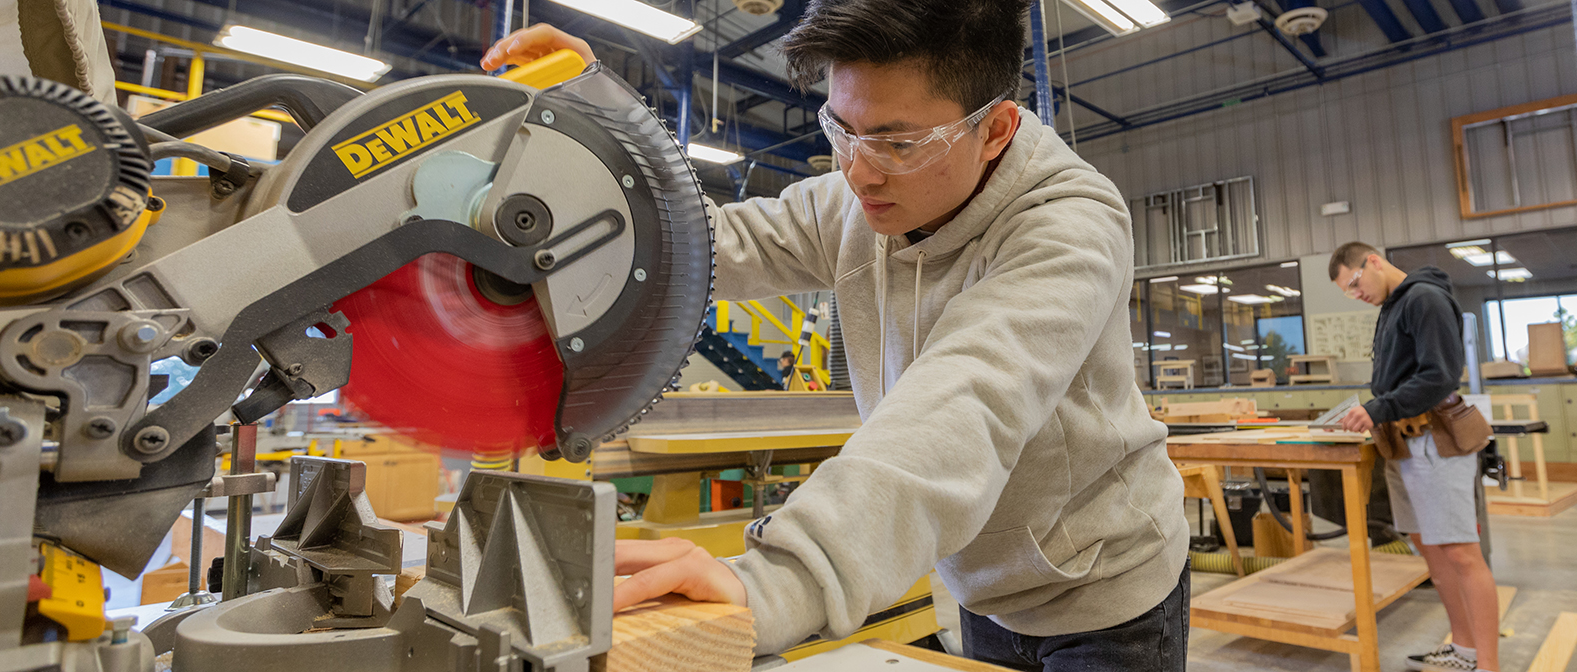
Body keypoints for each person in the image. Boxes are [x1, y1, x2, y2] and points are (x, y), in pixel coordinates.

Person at [483, 2, 1190, 670]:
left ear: (996, 130)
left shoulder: (1070, 225)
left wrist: (782, 577)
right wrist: (594, 126)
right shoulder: (855, 203)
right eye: (843, 130)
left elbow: (962, 410)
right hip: (980, 584)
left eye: (898, 143)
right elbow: (687, 245)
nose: (859, 171)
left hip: (1105, 594)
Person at [1329, 242, 1500, 672]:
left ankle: (1488, 665)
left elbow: (1439, 374)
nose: (1357, 294)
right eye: (1348, 292)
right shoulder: (1392, 307)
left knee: (1461, 553)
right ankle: (1464, 650)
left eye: (1355, 283)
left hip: (1434, 439)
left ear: (1373, 261)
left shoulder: (1424, 298)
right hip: (1403, 442)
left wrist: (1376, 409)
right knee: (1433, 552)